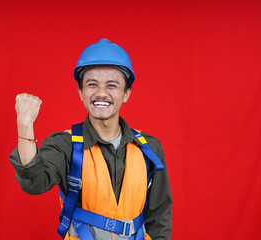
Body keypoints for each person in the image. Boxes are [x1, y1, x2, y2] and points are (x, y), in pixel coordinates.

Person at [9, 38, 172, 240]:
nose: (101, 93)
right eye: (92, 84)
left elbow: (160, 216)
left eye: (112, 85)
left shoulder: (149, 148)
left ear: (126, 93)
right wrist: (25, 125)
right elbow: (33, 183)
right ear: (81, 92)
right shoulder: (64, 145)